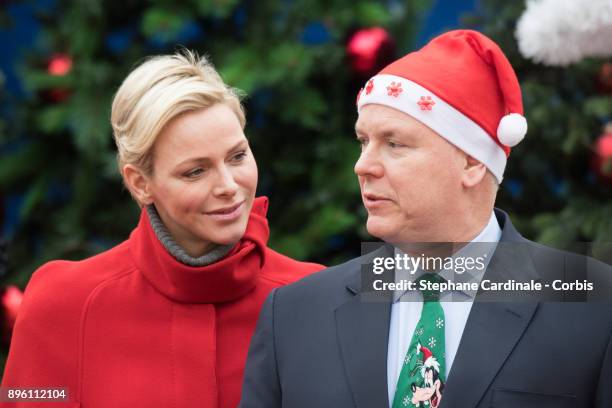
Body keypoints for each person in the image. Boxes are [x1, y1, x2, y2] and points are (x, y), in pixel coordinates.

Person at [239, 30, 612, 408]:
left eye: (394, 144)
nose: (363, 166)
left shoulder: (595, 304)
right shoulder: (296, 313)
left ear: (472, 162)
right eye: (363, 141)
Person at [1, 51, 323, 408]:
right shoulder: (61, 304)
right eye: (195, 171)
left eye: (237, 156)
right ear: (140, 183)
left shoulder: (315, 300)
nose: (229, 185)